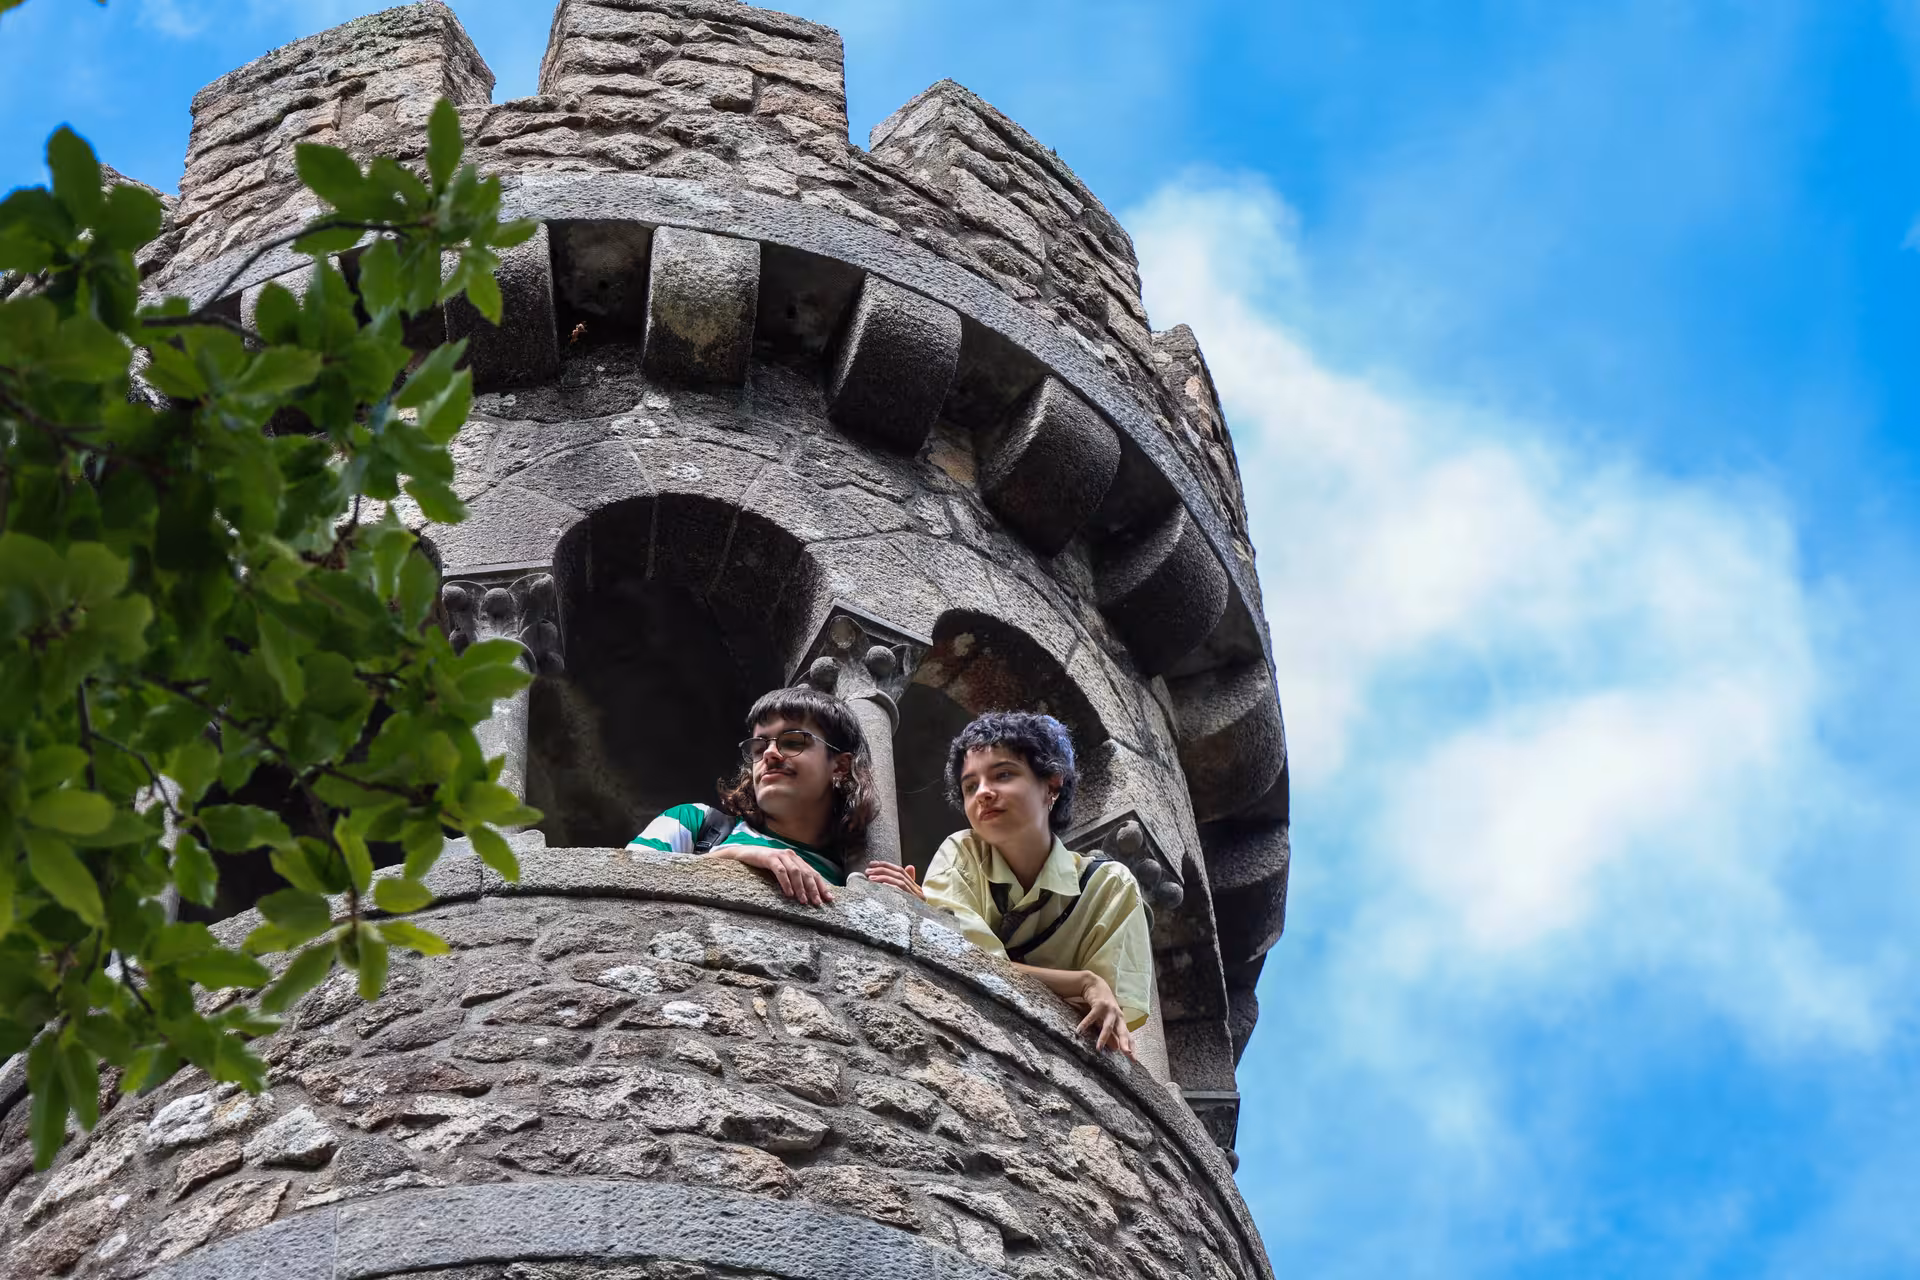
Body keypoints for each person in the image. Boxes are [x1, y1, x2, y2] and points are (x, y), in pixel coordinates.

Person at [865, 711, 1153, 1058]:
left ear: (1052, 785)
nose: (983, 793)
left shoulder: (1108, 886)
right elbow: (970, 965)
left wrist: (1090, 994)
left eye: (1003, 775)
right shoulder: (961, 854)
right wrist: (1084, 981)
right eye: (970, 786)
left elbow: (1103, 1024)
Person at [628, 686, 876, 906]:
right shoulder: (692, 822)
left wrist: (898, 904)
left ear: (840, 766)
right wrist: (734, 856)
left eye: (793, 742)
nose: (769, 753)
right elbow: (624, 883)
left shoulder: (850, 878)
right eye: (759, 747)